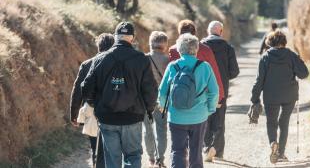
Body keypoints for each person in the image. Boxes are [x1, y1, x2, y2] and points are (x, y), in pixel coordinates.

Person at [82, 21, 158, 168]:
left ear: (116, 37)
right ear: (132, 38)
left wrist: (94, 103)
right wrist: (149, 109)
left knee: (112, 158)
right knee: (133, 155)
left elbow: (86, 87)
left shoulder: (100, 58)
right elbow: (150, 89)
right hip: (133, 116)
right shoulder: (141, 59)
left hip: (107, 117)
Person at [159, 33, 219, 168]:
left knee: (177, 150)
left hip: (176, 116)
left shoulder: (172, 66)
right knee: (196, 151)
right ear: (196, 49)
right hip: (199, 116)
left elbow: (162, 93)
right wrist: (209, 109)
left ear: (179, 50)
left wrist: (164, 107)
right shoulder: (205, 67)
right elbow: (214, 92)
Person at [251, 29, 309, 163]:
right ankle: (281, 153)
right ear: (284, 42)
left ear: (270, 43)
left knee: (271, 122)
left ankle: (273, 143)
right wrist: (299, 61)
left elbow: (259, 81)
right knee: (284, 122)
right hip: (289, 95)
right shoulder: (291, 55)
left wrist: (255, 98)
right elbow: (304, 74)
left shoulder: (265, 57)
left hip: (271, 96)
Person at [70, 33, 114, 168]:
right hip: (113, 111)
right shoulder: (117, 65)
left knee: (95, 146)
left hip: (91, 110)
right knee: (112, 149)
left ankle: (96, 164)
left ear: (98, 46)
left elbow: (77, 90)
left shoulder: (87, 64)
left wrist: (74, 114)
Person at [201, 21, 240, 162]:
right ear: (221, 32)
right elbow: (235, 71)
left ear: (208, 31)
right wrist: (224, 77)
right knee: (220, 119)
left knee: (205, 118)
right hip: (221, 89)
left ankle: (206, 148)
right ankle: (217, 151)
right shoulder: (228, 48)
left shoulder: (200, 46)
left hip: (203, 90)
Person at [169, 20, 225, 106]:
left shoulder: (173, 50)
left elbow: (168, 77)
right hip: (200, 102)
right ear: (194, 33)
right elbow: (214, 74)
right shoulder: (206, 50)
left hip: (178, 100)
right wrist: (219, 97)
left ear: (180, 33)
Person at [143, 31, 169, 168]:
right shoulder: (169, 60)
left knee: (147, 130)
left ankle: (151, 158)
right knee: (162, 130)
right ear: (165, 44)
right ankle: (160, 159)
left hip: (146, 100)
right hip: (162, 101)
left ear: (151, 43)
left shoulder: (143, 59)